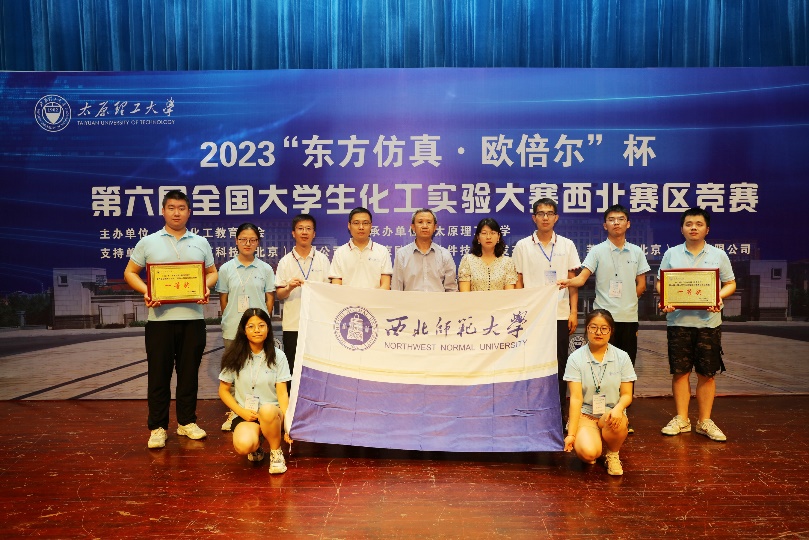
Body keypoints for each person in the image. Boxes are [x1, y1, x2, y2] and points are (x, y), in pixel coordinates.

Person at [123, 189, 218, 449]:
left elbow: (212, 273)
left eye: (182, 208)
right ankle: (158, 427)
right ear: (163, 211)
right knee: (159, 375)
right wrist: (147, 291)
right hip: (159, 322)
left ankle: (187, 422)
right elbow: (130, 272)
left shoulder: (201, 242)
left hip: (193, 319)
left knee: (189, 375)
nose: (177, 213)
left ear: (189, 212)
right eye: (172, 208)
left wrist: (205, 287)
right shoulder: (148, 242)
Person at [558, 204, 650, 432]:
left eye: (621, 219)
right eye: (611, 219)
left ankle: (621, 415)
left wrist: (627, 301)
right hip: (603, 320)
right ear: (605, 225)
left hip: (628, 319)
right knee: (596, 368)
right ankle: (588, 413)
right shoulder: (597, 251)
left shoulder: (637, 252)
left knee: (624, 369)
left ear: (628, 224)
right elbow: (582, 278)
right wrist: (568, 282)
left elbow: (641, 284)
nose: (616, 223)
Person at [657, 207, 736, 442]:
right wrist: (666, 298)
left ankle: (704, 421)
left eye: (699, 224)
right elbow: (661, 283)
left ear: (707, 229)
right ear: (682, 228)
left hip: (708, 323)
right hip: (678, 322)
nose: (693, 228)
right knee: (680, 372)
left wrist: (718, 297)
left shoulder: (719, 255)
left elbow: (730, 283)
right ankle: (682, 419)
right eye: (689, 224)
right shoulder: (671, 254)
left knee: (706, 373)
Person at [513, 199, 581, 421]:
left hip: (560, 314)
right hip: (533, 317)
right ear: (534, 218)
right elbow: (518, 281)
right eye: (540, 213)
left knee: (559, 365)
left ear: (556, 218)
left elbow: (573, 281)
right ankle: (530, 411)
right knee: (531, 363)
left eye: (549, 213)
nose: (545, 217)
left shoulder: (567, 245)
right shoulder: (523, 246)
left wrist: (573, 312)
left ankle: (558, 413)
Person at [215, 222, 276, 431]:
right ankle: (234, 412)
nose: (247, 243)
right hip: (233, 328)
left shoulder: (265, 269)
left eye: (252, 240)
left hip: (258, 330)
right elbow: (224, 300)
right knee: (234, 371)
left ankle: (259, 411)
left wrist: (263, 322)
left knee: (257, 371)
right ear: (236, 241)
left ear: (258, 242)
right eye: (243, 239)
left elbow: (269, 299)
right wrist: (231, 318)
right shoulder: (226, 268)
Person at [563, 309, 636, 476]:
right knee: (589, 454)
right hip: (586, 414)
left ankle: (613, 454)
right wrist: (571, 434)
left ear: (611, 331)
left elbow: (627, 394)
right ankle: (590, 438)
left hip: (610, 413)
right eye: (593, 327)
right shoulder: (575, 358)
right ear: (586, 329)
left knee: (617, 422)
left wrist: (618, 409)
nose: (598, 332)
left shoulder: (622, 357)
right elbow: (575, 398)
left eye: (604, 328)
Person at [218, 308, 291, 474]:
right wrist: (241, 411)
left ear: (268, 328)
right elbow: (223, 391)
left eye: (261, 325)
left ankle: (276, 453)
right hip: (247, 414)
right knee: (244, 445)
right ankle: (256, 447)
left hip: (272, 414)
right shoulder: (234, 356)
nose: (257, 330)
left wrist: (288, 426)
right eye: (251, 326)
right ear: (244, 330)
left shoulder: (278, 356)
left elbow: (282, 394)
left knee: (267, 410)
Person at [275, 214, 331, 390]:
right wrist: (289, 287)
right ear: (293, 233)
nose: (304, 232)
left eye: (308, 229)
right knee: (292, 367)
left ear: (314, 233)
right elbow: (279, 295)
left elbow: (329, 292)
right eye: (300, 228)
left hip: (317, 324)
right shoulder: (285, 262)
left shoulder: (322, 260)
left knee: (317, 367)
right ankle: (292, 403)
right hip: (293, 325)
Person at [392, 208, 458, 292]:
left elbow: (451, 290)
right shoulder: (402, 254)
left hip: (438, 300)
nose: (425, 226)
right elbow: (396, 289)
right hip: (410, 300)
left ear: (435, 227)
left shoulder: (444, 254)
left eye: (429, 222)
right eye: (420, 222)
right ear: (413, 227)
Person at [329, 207, 392, 289]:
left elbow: (385, 284)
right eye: (356, 223)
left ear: (371, 226)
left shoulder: (382, 251)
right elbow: (336, 285)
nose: (361, 227)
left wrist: (373, 297)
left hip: (375, 297)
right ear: (349, 225)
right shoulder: (340, 252)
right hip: (347, 297)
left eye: (365, 223)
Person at [458, 218, 517, 291]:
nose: (488, 237)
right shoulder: (468, 260)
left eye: (493, 233)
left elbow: (509, 294)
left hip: (502, 299)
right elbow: (465, 294)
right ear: (478, 237)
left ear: (498, 236)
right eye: (484, 233)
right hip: (473, 299)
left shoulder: (507, 262)